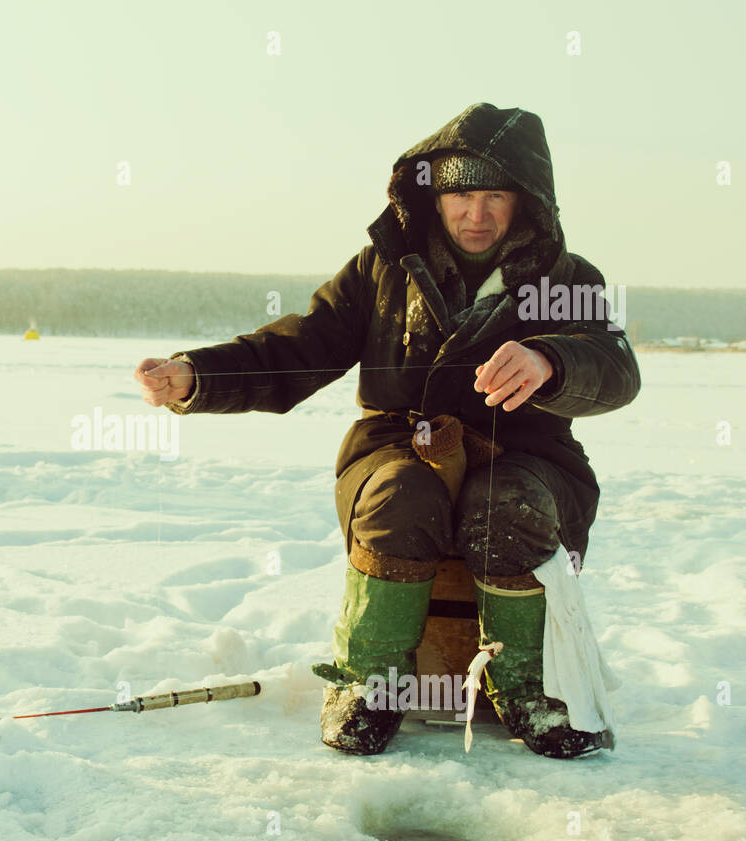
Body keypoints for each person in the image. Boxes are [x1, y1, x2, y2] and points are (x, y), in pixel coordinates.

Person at [133, 103, 640, 759]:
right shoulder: (383, 269)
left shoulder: (569, 280)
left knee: (507, 507)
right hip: (397, 450)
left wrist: (551, 359)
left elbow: (618, 367)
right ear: (436, 193)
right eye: (461, 194)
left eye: (495, 197)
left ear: (528, 202)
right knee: (400, 497)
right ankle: (369, 685)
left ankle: (532, 692)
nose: (476, 214)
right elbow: (298, 347)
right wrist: (198, 376)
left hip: (531, 458)